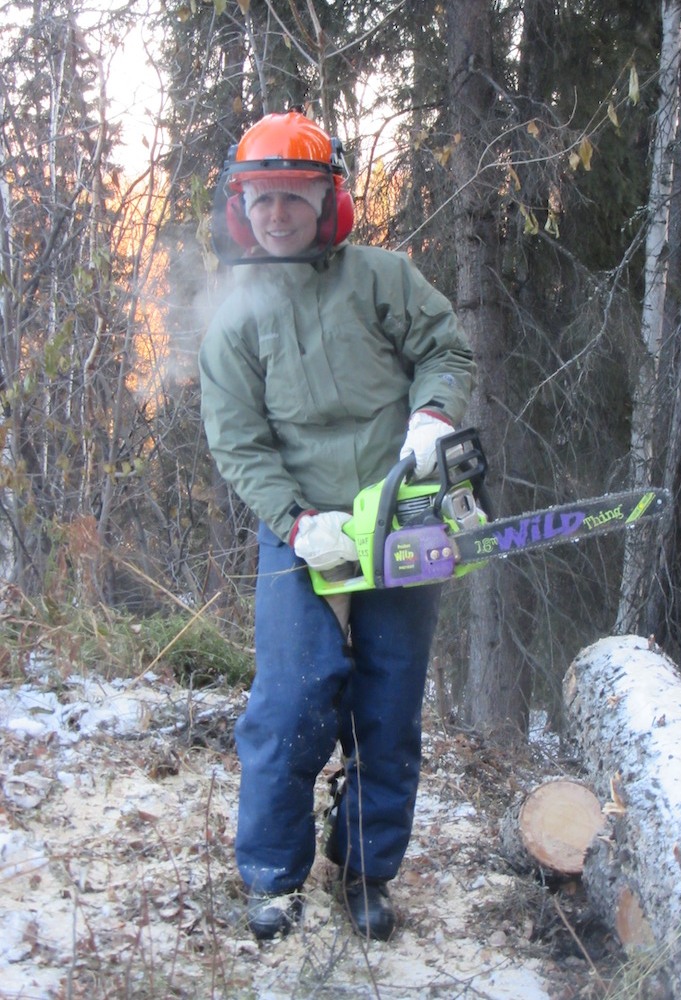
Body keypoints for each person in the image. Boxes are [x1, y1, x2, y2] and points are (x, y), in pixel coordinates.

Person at [198, 109, 474, 943]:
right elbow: (237, 439)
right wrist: (293, 520)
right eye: (263, 199)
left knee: (388, 705)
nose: (278, 214)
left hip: (399, 512)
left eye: (295, 196)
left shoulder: (384, 278)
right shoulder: (234, 316)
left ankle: (364, 869)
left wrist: (431, 418)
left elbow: (446, 350)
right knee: (293, 700)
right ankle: (273, 876)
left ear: (329, 199)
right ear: (239, 206)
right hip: (303, 528)